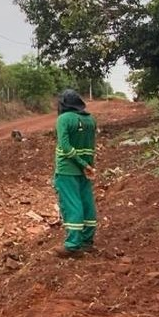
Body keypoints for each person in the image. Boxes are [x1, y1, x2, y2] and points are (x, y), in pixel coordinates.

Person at [52, 89, 97, 257]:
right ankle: (87, 241)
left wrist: (81, 163)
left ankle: (72, 245)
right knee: (87, 203)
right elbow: (91, 146)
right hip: (86, 170)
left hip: (67, 169)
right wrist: (88, 166)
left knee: (72, 205)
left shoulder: (63, 119)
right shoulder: (91, 120)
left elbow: (64, 146)